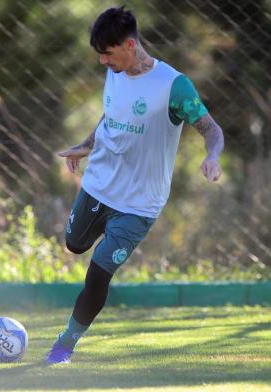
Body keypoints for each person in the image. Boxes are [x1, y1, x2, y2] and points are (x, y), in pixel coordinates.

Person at [46, 6, 224, 364]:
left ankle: (65, 344)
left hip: (139, 205)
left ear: (130, 45)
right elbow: (112, 114)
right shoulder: (115, 71)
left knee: (98, 273)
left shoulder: (173, 86)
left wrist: (214, 155)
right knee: (74, 243)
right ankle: (69, 330)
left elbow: (212, 129)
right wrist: (86, 145)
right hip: (98, 186)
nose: (102, 62)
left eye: (107, 54)